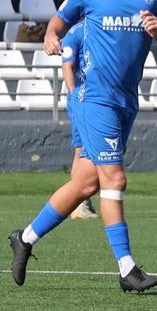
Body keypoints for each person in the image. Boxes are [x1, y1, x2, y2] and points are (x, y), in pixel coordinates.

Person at [9, 0, 157, 292]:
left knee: (85, 183)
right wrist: (51, 37)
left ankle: (24, 238)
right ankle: (127, 269)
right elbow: (57, 23)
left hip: (125, 101)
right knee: (114, 179)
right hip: (93, 97)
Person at [60, 21, 98, 220]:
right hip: (82, 99)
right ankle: (78, 204)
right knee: (81, 149)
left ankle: (84, 200)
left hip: (99, 99)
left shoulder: (100, 28)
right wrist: (74, 96)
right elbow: (67, 66)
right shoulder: (75, 33)